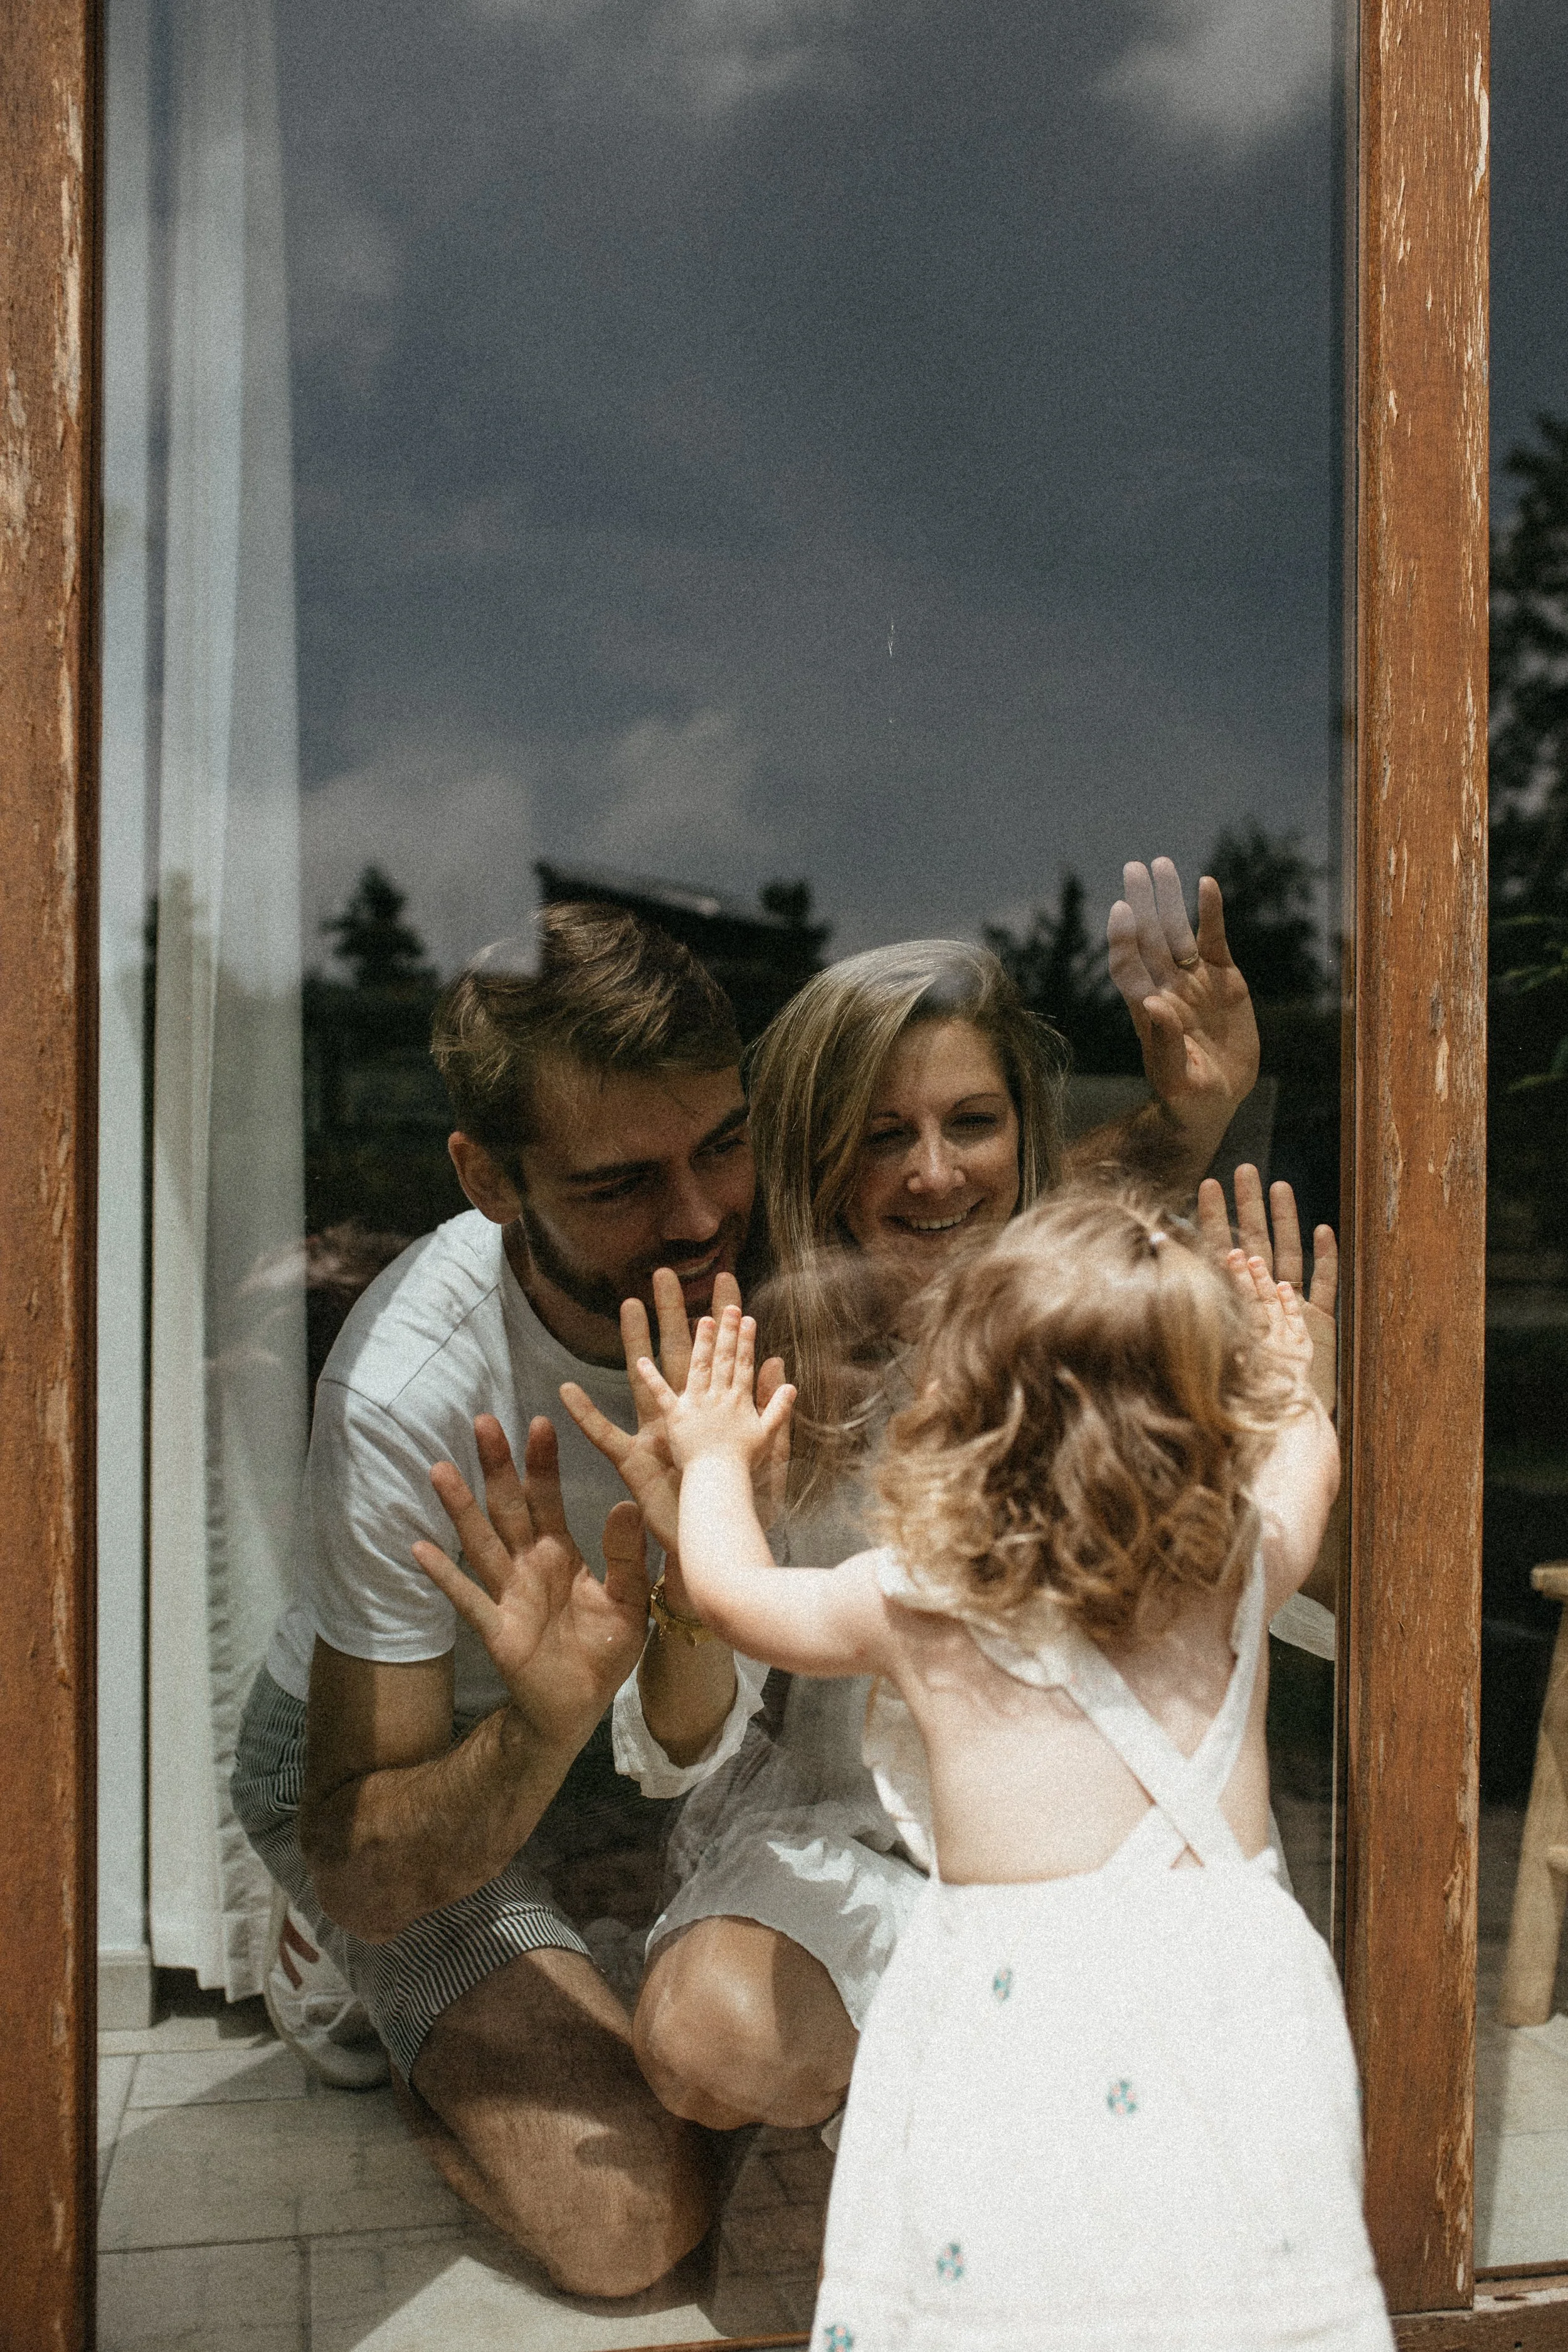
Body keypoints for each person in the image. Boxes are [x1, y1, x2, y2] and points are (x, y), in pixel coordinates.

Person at [231, 863, 1260, 2293]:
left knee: (707, 2024)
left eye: (723, 1148)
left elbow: (975, 1203)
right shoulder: (407, 1394)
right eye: (617, 1183)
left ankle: (612, 1951)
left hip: (672, 1722)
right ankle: (358, 1985)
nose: (703, 1217)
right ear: (487, 1178)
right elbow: (367, 1850)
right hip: (436, 1766)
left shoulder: (737, 1209)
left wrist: (1189, 1116)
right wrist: (537, 1716)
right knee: (628, 2234)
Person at [592, 924, 1333, 2143]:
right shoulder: (763, 1370)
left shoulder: (1120, 1339)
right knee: (709, 2036)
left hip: (1111, 1874)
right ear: (820, 1159)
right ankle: (1027, 2107)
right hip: (860, 1850)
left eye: (969, 1125)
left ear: (1021, 1135)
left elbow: (1279, 1582)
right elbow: (678, 1741)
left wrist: (1284, 1386)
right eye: (882, 1135)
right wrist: (691, 1536)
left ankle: (1000, 2141)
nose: (932, 1174)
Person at [628, 1205, 1392, 2351]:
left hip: (1018, 2016)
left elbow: (734, 1592)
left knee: (1018, 2292)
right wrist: (1293, 1380)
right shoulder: (1237, 1570)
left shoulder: (924, 1603)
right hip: (1235, 2001)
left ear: (964, 1407)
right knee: (1231, 2283)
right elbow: (1310, 1463)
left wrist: (716, 1457)